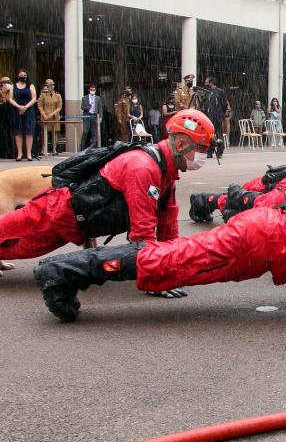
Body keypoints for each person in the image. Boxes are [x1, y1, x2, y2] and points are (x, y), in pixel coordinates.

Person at [35, 160, 286, 322]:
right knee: (170, 262)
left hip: (266, 232)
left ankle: (69, 272)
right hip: (262, 240)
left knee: (175, 258)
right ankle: (65, 273)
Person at [9, 109, 215, 316]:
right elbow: (142, 234)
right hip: (53, 213)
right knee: (13, 244)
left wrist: (171, 268)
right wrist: (155, 277)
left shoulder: (166, 171)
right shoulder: (144, 168)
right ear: (181, 145)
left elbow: (167, 224)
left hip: (70, 221)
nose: (203, 156)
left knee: (17, 249)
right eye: (201, 149)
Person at [188, 152, 286, 223]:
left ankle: (204, 201)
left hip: (264, 189)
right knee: (233, 202)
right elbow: (265, 203)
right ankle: (202, 201)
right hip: (258, 191)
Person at [9, 69, 38, 162]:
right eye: (21, 75)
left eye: (25, 75)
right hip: (16, 110)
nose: (23, 76)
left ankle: (29, 154)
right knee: (18, 132)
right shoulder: (13, 86)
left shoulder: (30, 85)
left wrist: (25, 107)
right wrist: (19, 107)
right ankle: (20, 153)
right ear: (18, 76)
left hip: (28, 110)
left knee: (29, 132)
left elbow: (34, 98)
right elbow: (10, 98)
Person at [203, 76, 229, 158]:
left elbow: (224, 104)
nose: (205, 83)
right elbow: (206, 104)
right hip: (209, 117)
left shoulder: (220, 92)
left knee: (218, 134)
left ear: (211, 83)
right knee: (210, 134)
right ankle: (210, 151)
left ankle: (220, 151)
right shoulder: (207, 92)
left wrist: (221, 113)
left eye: (206, 81)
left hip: (217, 117)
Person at [37, 79, 62, 157]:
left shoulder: (58, 95)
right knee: (44, 133)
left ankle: (54, 149)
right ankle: (44, 149)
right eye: (48, 85)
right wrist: (44, 114)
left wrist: (53, 113)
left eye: (51, 85)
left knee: (55, 133)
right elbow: (39, 105)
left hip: (54, 117)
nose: (50, 86)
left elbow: (59, 106)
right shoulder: (43, 95)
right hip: (45, 117)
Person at [80, 84, 101, 149]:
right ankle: (82, 146)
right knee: (85, 131)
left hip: (94, 116)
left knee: (94, 132)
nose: (93, 91)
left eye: (94, 90)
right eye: (91, 90)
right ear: (89, 90)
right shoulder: (84, 98)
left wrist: (100, 117)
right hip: (87, 116)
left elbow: (100, 108)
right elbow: (82, 107)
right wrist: (87, 108)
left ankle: (93, 146)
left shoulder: (98, 98)